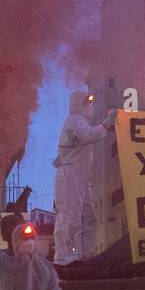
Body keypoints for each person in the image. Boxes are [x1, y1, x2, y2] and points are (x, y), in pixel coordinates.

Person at [53, 91, 113, 266]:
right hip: (70, 175)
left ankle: (85, 254)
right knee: (69, 215)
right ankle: (63, 256)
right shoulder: (75, 120)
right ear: (80, 105)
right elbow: (89, 135)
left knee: (87, 216)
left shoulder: (78, 121)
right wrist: (106, 125)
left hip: (80, 176)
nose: (91, 107)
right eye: (89, 103)